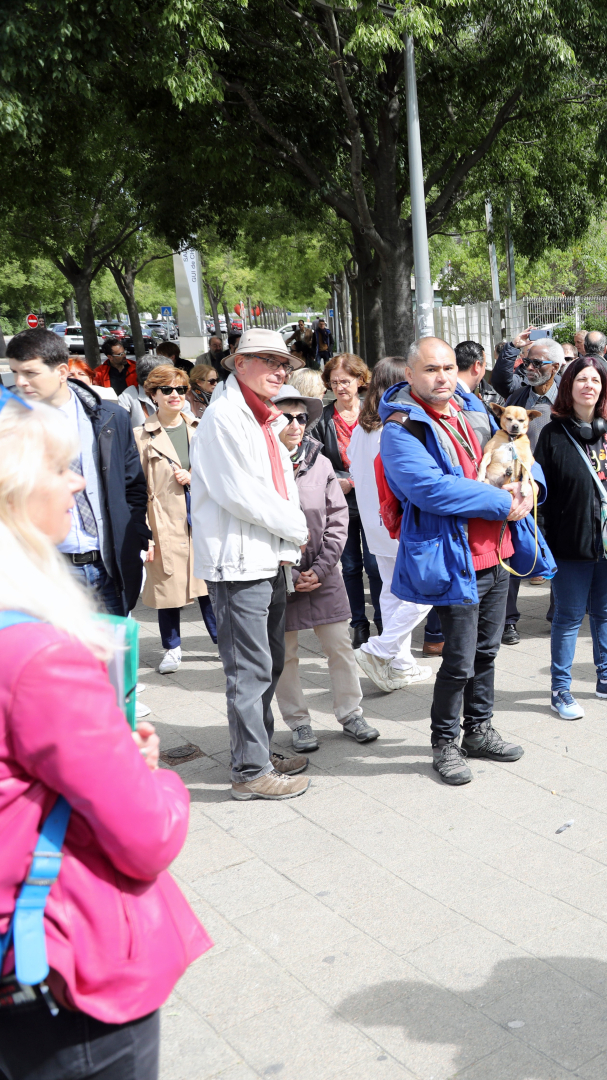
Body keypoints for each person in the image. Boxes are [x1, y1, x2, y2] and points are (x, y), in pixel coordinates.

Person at [0, 389, 212, 1079]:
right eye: (61, 469)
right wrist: (157, 775)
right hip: (62, 966)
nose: (77, 482)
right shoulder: (38, 657)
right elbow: (147, 834)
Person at [379, 337, 536, 785]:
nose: (443, 376)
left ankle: (479, 731)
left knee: (487, 652)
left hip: (496, 553)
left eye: (448, 367)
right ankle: (445, 743)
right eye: (431, 369)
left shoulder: (471, 410)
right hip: (452, 558)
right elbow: (429, 489)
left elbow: (514, 450)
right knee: (460, 659)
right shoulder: (402, 428)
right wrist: (499, 499)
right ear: (410, 375)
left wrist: (527, 485)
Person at [193, 328, 313, 800]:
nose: (279, 370)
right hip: (239, 562)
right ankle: (248, 771)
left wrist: (286, 542)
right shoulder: (226, 416)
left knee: (268, 663)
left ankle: (258, 752)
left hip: (265, 558)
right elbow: (240, 494)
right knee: (249, 669)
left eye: (283, 363)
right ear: (238, 365)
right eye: (266, 360)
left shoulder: (261, 416)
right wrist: (297, 529)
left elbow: (276, 485)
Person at [6, 329, 147, 618]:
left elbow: (132, 486)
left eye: (30, 372)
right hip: (48, 572)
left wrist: (135, 541)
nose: (20, 381)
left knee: (115, 660)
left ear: (61, 372)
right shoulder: (8, 424)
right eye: (14, 372)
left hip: (109, 567)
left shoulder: (110, 416)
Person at [269, 385, 380, 753]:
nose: (297, 424)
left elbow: (337, 518)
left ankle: (351, 713)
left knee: (340, 646)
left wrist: (320, 566)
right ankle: (298, 722)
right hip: (279, 574)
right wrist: (290, 567)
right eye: (287, 416)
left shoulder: (321, 461)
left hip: (324, 571)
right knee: (285, 654)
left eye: (302, 417)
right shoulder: (259, 462)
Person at [533, 357, 607, 720]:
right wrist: (542, 541)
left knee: (605, 611)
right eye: (581, 379)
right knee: (568, 617)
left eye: (595, 380)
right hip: (571, 540)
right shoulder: (552, 433)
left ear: (603, 388)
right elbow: (540, 492)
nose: (588, 386)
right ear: (569, 386)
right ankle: (560, 689)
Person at [350, 357, 434, 693]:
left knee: (391, 590)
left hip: (375, 522)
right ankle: (381, 649)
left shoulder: (362, 425)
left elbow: (356, 473)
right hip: (398, 521)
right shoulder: (398, 425)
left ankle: (400, 662)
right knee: (423, 590)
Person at [136, 365, 218, 675]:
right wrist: (145, 533)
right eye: (167, 390)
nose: (175, 395)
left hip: (201, 519)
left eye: (180, 390)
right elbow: (135, 489)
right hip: (163, 523)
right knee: (167, 590)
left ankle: (222, 641)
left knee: (210, 586)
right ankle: (172, 648)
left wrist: (194, 475)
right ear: (153, 394)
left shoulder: (201, 427)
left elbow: (221, 471)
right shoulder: (140, 436)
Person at [497, 338, 565, 645]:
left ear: (556, 366)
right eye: (528, 362)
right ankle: (508, 620)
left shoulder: (567, 396)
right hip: (525, 488)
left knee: (560, 553)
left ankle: (559, 614)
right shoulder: (518, 395)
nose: (531, 368)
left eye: (538, 363)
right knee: (516, 549)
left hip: (562, 487)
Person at [315, 353, 383, 647]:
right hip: (339, 503)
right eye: (334, 382)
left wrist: (353, 480)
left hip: (371, 498)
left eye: (346, 381)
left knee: (376, 564)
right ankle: (358, 623)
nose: (340, 387)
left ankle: (384, 620)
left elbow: (382, 456)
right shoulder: (321, 418)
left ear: (360, 380)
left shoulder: (374, 413)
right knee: (351, 566)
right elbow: (313, 460)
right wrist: (336, 481)